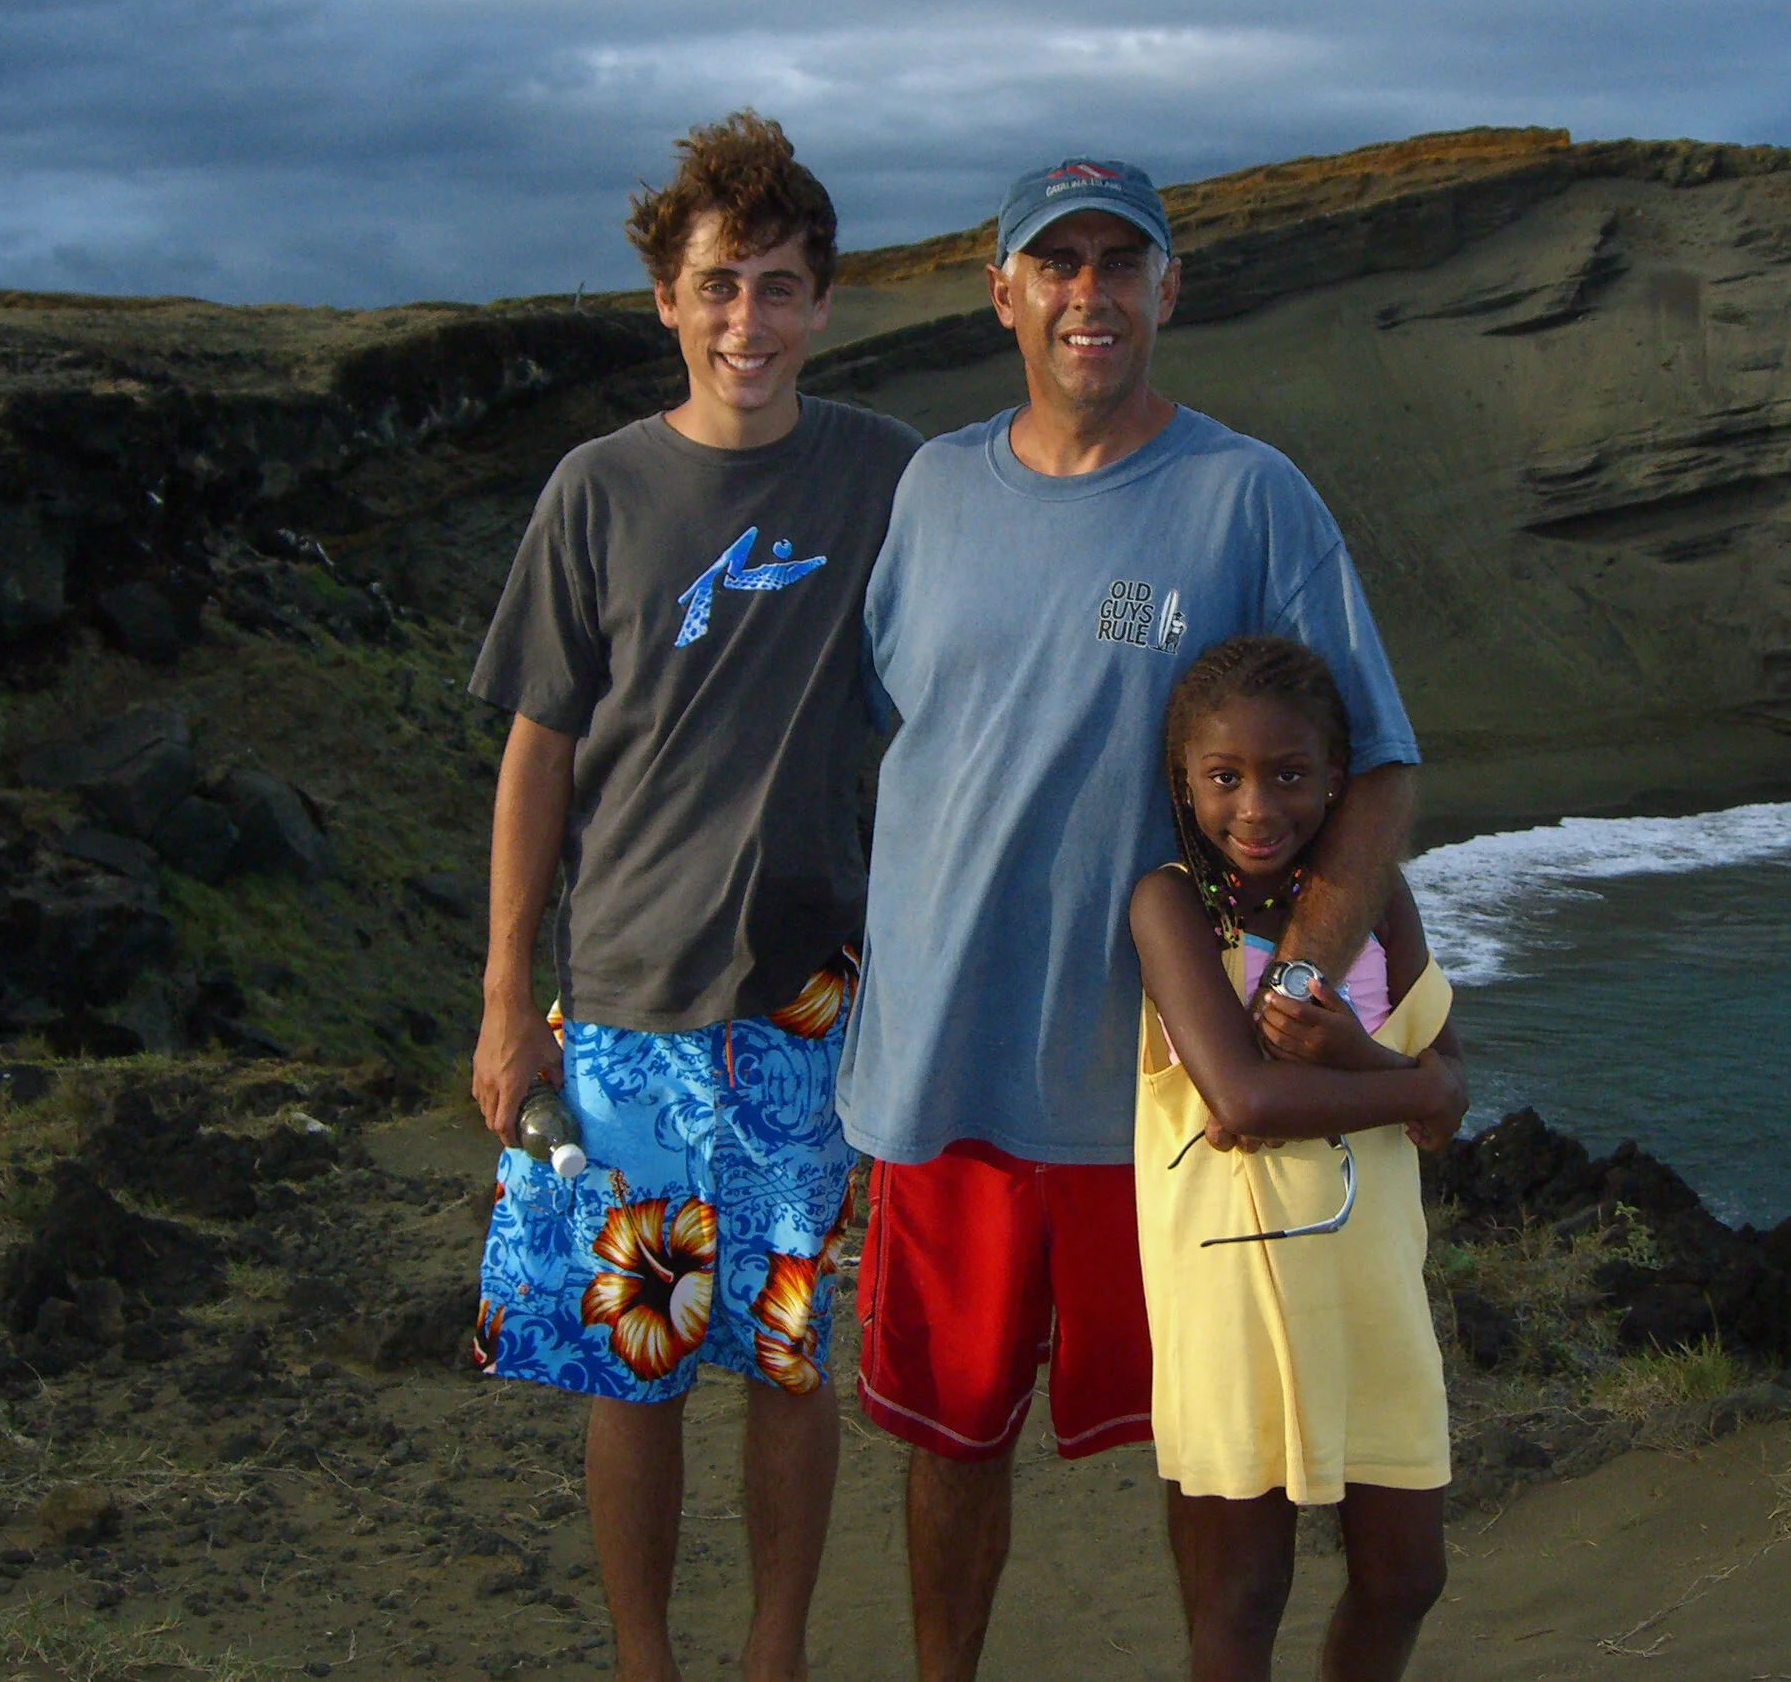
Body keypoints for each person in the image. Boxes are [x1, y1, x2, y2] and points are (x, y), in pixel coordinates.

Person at [839, 157, 1424, 1680]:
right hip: (946, 1070)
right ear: (1004, 292)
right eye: (1058, 262)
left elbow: (1377, 762)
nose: (1087, 293)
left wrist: (1303, 981)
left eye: (1120, 261)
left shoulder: (1249, 495)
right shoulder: (931, 489)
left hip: (1163, 1091)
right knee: (949, 1434)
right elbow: (888, 730)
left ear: (1170, 286)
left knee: (1208, 1448)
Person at [467, 111, 920, 1682]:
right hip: (626, 1002)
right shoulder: (595, 491)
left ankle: (772, 1654)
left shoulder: (885, 474)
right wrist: (506, 1002)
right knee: (636, 1356)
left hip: (804, 1006)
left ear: (823, 302)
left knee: (789, 1357)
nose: (749, 319)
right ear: (666, 296)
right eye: (720, 284)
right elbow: (538, 749)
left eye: (781, 286)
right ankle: (646, 1658)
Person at [1131, 634, 1466, 1682]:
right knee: (1241, 1593)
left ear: (1335, 776)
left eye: (1287, 775)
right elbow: (1243, 1099)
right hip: (1229, 1293)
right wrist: (1408, 1087)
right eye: (1224, 777)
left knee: (1406, 1575)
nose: (1256, 808)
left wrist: (1364, 1060)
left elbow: (1450, 1091)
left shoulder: (1378, 903)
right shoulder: (1170, 907)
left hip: (1373, 1283)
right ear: (1184, 781)